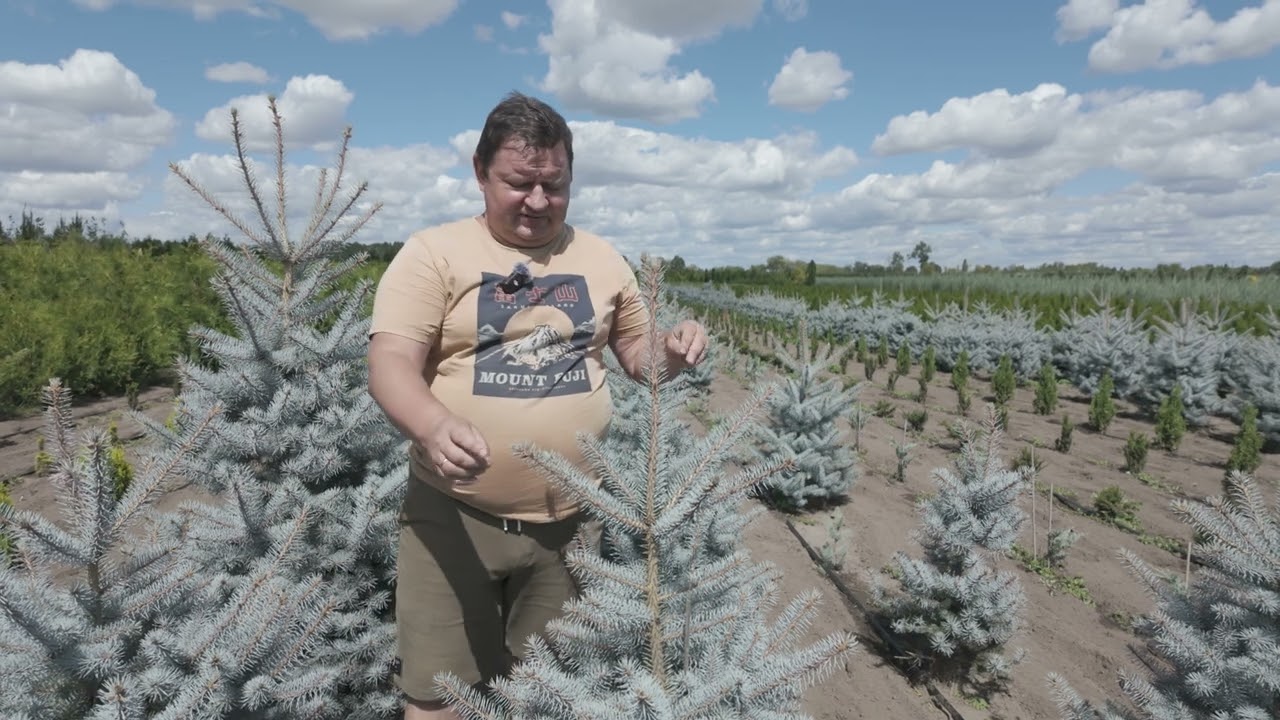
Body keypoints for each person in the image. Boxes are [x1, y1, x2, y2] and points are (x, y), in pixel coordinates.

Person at [365, 91, 709, 720]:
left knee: (551, 691)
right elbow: (389, 363)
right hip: (456, 518)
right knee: (439, 696)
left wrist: (674, 353)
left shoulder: (602, 259)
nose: (538, 202)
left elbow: (639, 355)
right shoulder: (433, 253)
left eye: (554, 185)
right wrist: (434, 422)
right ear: (480, 172)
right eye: (519, 183)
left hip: (574, 525)